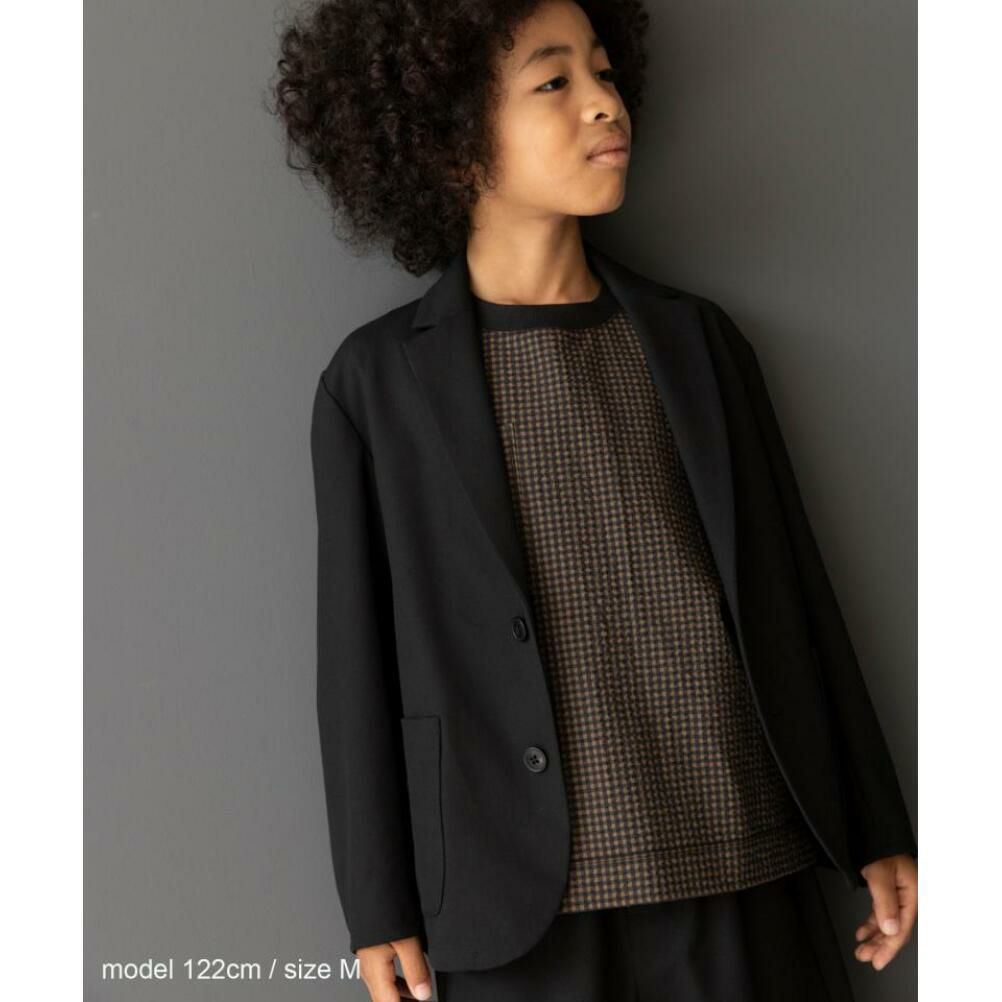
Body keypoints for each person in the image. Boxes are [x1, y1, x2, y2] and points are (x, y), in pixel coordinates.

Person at [270, 1, 918, 999]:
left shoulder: (698, 343)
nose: (604, 103)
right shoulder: (377, 386)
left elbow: (796, 595)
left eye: (605, 72)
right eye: (554, 80)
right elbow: (355, 666)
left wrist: (874, 820)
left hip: (744, 866)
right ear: (450, 141)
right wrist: (377, 903)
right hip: (517, 906)